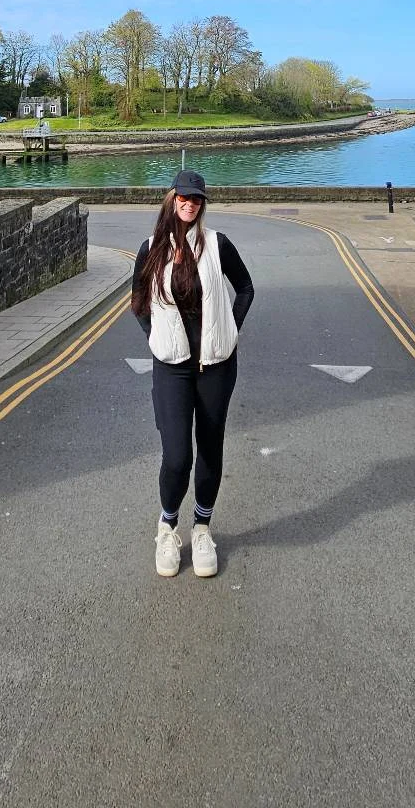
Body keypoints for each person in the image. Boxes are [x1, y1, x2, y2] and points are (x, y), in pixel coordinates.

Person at [130, 169, 254, 579]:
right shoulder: (150, 248)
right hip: (172, 368)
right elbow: (139, 303)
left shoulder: (218, 245)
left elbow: (246, 288)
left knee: (210, 450)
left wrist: (232, 329)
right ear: (171, 199)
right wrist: (155, 341)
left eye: (197, 199)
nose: (190, 204)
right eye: (184, 197)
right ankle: (167, 527)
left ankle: (201, 528)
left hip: (217, 365)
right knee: (177, 455)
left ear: (203, 204)